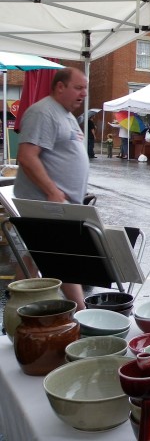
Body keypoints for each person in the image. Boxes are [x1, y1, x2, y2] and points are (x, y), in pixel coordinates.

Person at [13, 66, 90, 310]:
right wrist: (52, 191)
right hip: (46, 204)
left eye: (86, 88)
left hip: (59, 205)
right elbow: (26, 156)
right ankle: (81, 312)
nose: (84, 93)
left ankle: (16, 308)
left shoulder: (64, 114)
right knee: (63, 257)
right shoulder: (43, 112)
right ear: (60, 86)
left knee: (38, 257)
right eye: (78, 87)